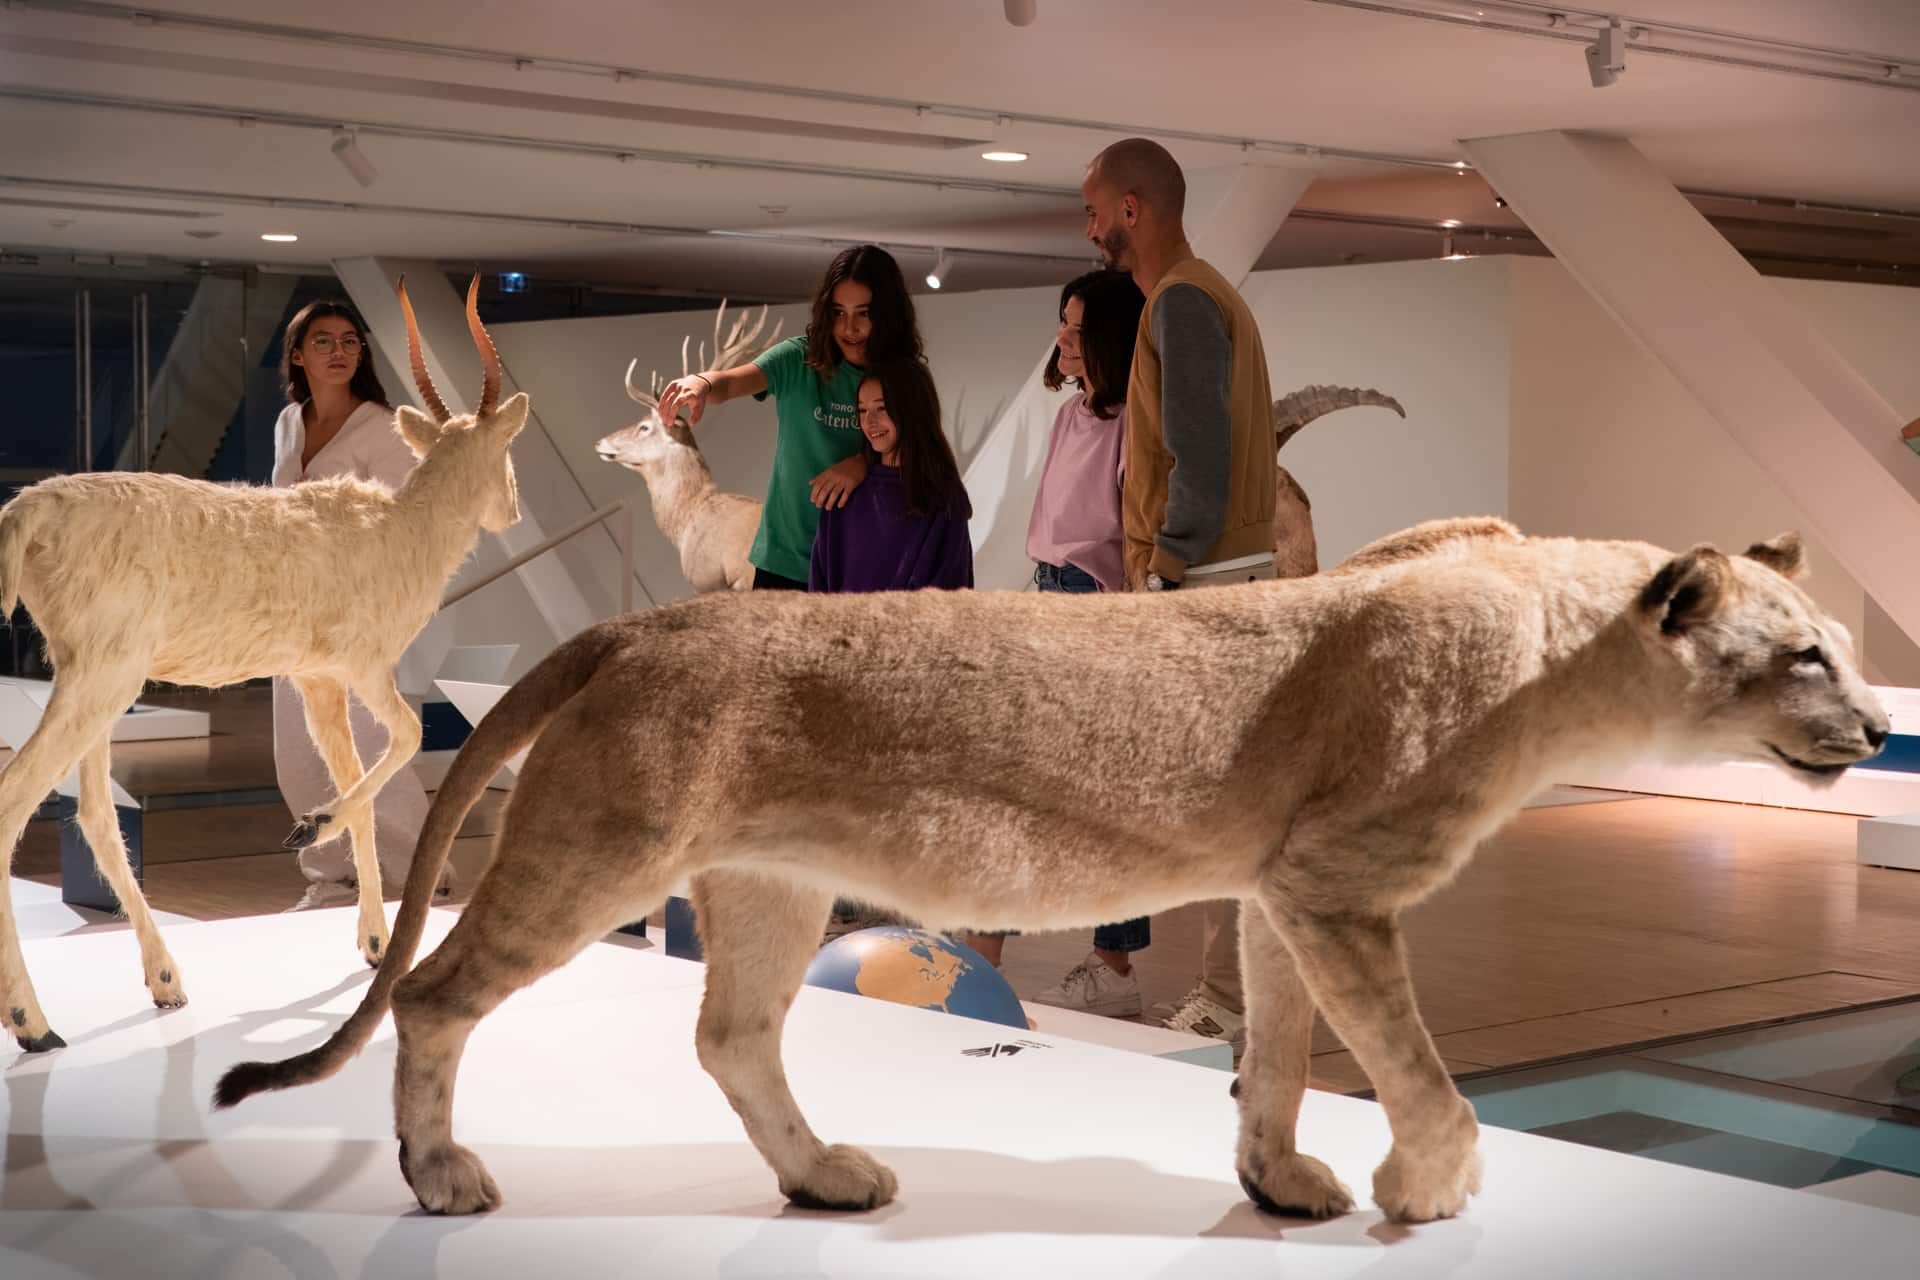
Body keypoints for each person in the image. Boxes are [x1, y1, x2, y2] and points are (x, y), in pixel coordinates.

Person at [1082, 137, 1280, 1051]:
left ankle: (1232, 999)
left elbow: (1197, 455)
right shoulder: (1190, 296)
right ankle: (1237, 997)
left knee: (1225, 813)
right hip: (1215, 582)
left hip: (1204, 589)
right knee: (1228, 812)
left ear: (1132, 209)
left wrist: (1162, 570)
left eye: (1094, 211)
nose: (1090, 230)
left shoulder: (1185, 301)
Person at [963, 269, 1152, 1018]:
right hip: (1048, 596)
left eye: (1077, 327)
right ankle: (984, 956)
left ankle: (1111, 966)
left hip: (1096, 613)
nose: (1063, 337)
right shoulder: (1073, 414)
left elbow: (1129, 532)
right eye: (1061, 322)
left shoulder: (1136, 419)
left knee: (1100, 802)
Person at [269, 299, 446, 909]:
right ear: (298, 354)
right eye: (324, 341)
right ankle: (329, 877)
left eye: (350, 340)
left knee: (371, 743)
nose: (340, 351)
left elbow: (402, 522)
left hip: (355, 614)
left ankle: (417, 875)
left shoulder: (385, 424)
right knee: (297, 750)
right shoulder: (289, 422)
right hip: (291, 612)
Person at [657, 245, 926, 590]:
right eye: (839, 312)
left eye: (864, 313)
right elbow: (735, 381)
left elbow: (920, 454)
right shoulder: (798, 358)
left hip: (863, 563)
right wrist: (703, 383)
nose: (850, 327)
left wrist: (863, 462)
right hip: (783, 562)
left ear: (887, 315)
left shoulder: (907, 378)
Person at [808, 361, 973, 593]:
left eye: (881, 408)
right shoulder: (843, 493)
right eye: (862, 410)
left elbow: (949, 600)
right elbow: (819, 586)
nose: (868, 421)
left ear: (912, 408)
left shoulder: (944, 500)